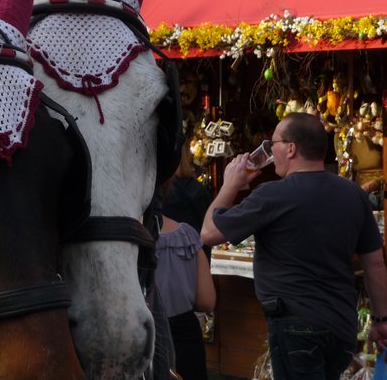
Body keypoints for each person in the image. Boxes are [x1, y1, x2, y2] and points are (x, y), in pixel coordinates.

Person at [201, 112, 387, 380]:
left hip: (296, 327)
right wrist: (381, 320)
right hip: (341, 326)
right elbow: (376, 264)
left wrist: (230, 185)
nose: (269, 151)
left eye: (272, 144)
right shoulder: (353, 194)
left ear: (290, 149)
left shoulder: (272, 195)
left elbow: (208, 233)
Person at [156, 210, 216, 380]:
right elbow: (207, 301)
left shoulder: (120, 236)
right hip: (185, 338)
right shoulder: (186, 234)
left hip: (139, 338)